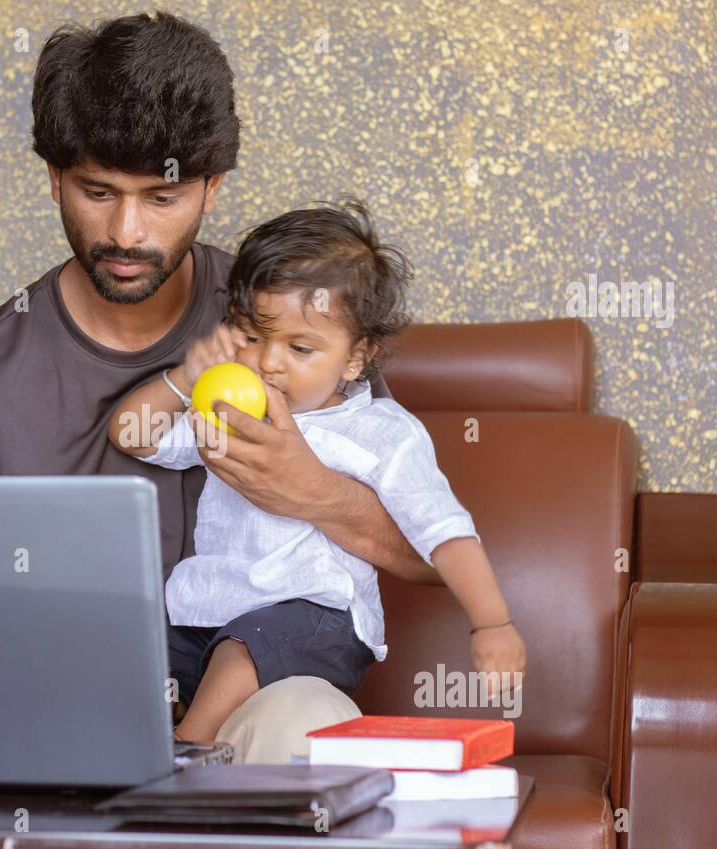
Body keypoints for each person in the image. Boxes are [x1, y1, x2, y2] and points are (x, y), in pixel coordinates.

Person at [0, 12, 447, 761]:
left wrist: (312, 491)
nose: (127, 232)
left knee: (304, 723)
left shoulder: (293, 328)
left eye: (162, 198)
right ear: (54, 177)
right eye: (96, 191)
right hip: (61, 711)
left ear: (212, 188)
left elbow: (429, 557)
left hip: (253, 709)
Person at [108, 200, 527, 742]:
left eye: (300, 347)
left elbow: (444, 532)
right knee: (134, 651)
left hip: (316, 617)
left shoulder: (383, 433)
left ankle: (189, 753)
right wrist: (187, 376)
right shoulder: (231, 410)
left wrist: (492, 621)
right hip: (208, 609)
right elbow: (132, 434)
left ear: (356, 358)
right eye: (252, 338)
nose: (269, 363)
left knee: (244, 648)